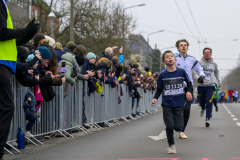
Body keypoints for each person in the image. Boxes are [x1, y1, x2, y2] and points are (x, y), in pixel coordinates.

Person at [0, 0, 40, 158]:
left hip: (5, 64)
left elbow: (10, 40)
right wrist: (24, 30)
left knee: (5, 108)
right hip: (1, 64)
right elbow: (2, 33)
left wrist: (27, 34)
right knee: (7, 108)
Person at [151, 50, 193, 154]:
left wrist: (188, 91)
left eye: (171, 56)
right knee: (169, 126)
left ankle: (177, 131)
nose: (170, 58)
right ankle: (171, 145)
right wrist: (155, 98)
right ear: (164, 62)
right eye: (167, 57)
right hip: (167, 103)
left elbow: (189, 84)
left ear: (175, 59)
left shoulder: (181, 72)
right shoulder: (163, 75)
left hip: (179, 103)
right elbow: (159, 89)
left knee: (178, 127)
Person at [174, 39, 204, 138]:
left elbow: (199, 68)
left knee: (186, 109)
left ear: (187, 47)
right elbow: (167, 69)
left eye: (185, 45)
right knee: (177, 109)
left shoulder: (192, 59)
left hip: (188, 87)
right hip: (176, 87)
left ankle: (182, 131)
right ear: (178, 48)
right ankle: (176, 124)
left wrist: (201, 76)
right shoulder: (174, 59)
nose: (183, 46)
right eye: (181, 45)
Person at [194, 47, 222, 127]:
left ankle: (207, 119)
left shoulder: (214, 63)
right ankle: (202, 108)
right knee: (202, 102)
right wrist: (198, 78)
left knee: (209, 102)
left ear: (211, 54)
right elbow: (195, 72)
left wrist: (219, 81)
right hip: (201, 86)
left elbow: (217, 73)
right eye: (205, 52)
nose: (207, 54)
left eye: (208, 52)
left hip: (211, 85)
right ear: (203, 54)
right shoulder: (199, 63)